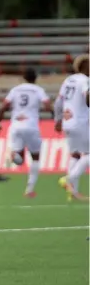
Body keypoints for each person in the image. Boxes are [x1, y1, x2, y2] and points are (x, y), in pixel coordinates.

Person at [0, 69, 52, 197]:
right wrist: (55, 117)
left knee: (20, 161)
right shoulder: (38, 90)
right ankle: (29, 189)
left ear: (24, 78)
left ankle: (13, 154)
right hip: (31, 126)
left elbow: (4, 106)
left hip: (16, 125)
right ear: (35, 78)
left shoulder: (16, 89)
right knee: (36, 158)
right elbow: (47, 105)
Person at [54, 54, 89, 201]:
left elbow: (58, 101)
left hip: (68, 123)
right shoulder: (85, 80)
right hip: (81, 123)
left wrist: (57, 120)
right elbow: (87, 97)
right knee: (88, 154)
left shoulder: (68, 80)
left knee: (75, 154)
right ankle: (70, 179)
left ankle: (72, 191)